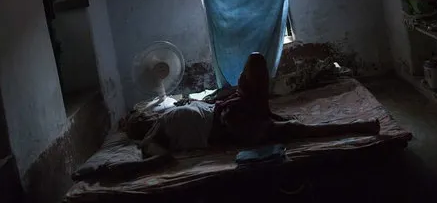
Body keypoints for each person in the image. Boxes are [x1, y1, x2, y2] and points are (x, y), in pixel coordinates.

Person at [140, 53, 380, 156]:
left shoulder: (165, 115)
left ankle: (265, 110)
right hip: (226, 125)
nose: (142, 117)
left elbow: (209, 105)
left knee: (255, 61)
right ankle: (359, 126)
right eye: (138, 120)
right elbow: (161, 159)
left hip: (226, 110)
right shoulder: (150, 142)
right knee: (293, 130)